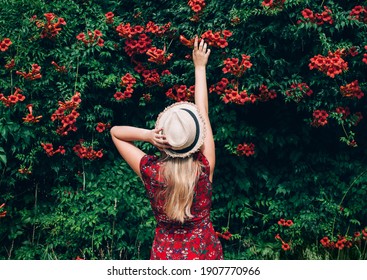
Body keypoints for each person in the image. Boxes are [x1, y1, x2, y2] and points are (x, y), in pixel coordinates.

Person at [110, 36, 223, 260]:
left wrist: (149, 137)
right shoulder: (204, 169)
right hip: (204, 254)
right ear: (195, 139)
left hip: (165, 257)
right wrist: (199, 67)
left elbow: (115, 133)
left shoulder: (151, 172)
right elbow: (203, 111)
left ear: (164, 139)